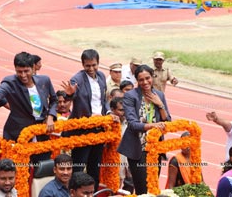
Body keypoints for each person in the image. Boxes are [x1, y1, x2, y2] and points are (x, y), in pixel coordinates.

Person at [0, 52, 57, 163]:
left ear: (33, 68)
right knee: (19, 172)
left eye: (26, 71)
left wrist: (50, 117)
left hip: (41, 134)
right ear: (15, 69)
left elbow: (54, 100)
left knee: (41, 170)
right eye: (19, 72)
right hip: (17, 134)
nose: (23, 75)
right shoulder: (10, 82)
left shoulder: (44, 80)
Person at [61, 49, 119, 191]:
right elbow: (70, 98)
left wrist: (109, 113)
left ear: (98, 64)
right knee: (79, 165)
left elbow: (102, 101)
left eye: (94, 65)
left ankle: (93, 193)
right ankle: (75, 192)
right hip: (83, 128)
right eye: (88, 66)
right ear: (83, 64)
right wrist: (68, 95)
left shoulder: (101, 76)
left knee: (95, 165)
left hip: (99, 127)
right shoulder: (77, 79)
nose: (91, 69)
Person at [117, 64, 171, 195]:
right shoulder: (131, 96)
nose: (145, 82)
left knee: (153, 186)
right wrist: (153, 125)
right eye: (141, 80)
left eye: (148, 78)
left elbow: (167, 121)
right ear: (137, 81)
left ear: (152, 77)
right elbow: (133, 125)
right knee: (142, 189)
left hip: (155, 148)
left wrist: (160, 104)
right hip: (137, 149)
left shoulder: (159, 95)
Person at [110, 97, 134, 193]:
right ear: (112, 109)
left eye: (125, 110)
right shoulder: (108, 123)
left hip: (124, 159)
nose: (124, 112)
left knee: (119, 184)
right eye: (120, 110)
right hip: (109, 161)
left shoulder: (128, 122)